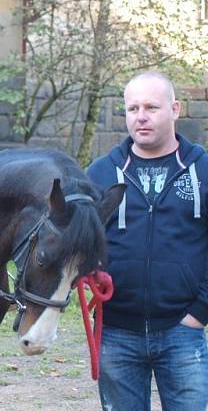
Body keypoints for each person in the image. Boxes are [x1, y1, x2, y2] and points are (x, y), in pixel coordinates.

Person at [87, 71, 208, 410]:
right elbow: (77, 238)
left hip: (182, 331)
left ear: (175, 109)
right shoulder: (100, 173)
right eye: (132, 108)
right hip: (115, 332)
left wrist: (199, 312)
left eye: (151, 108)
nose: (140, 117)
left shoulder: (203, 170)